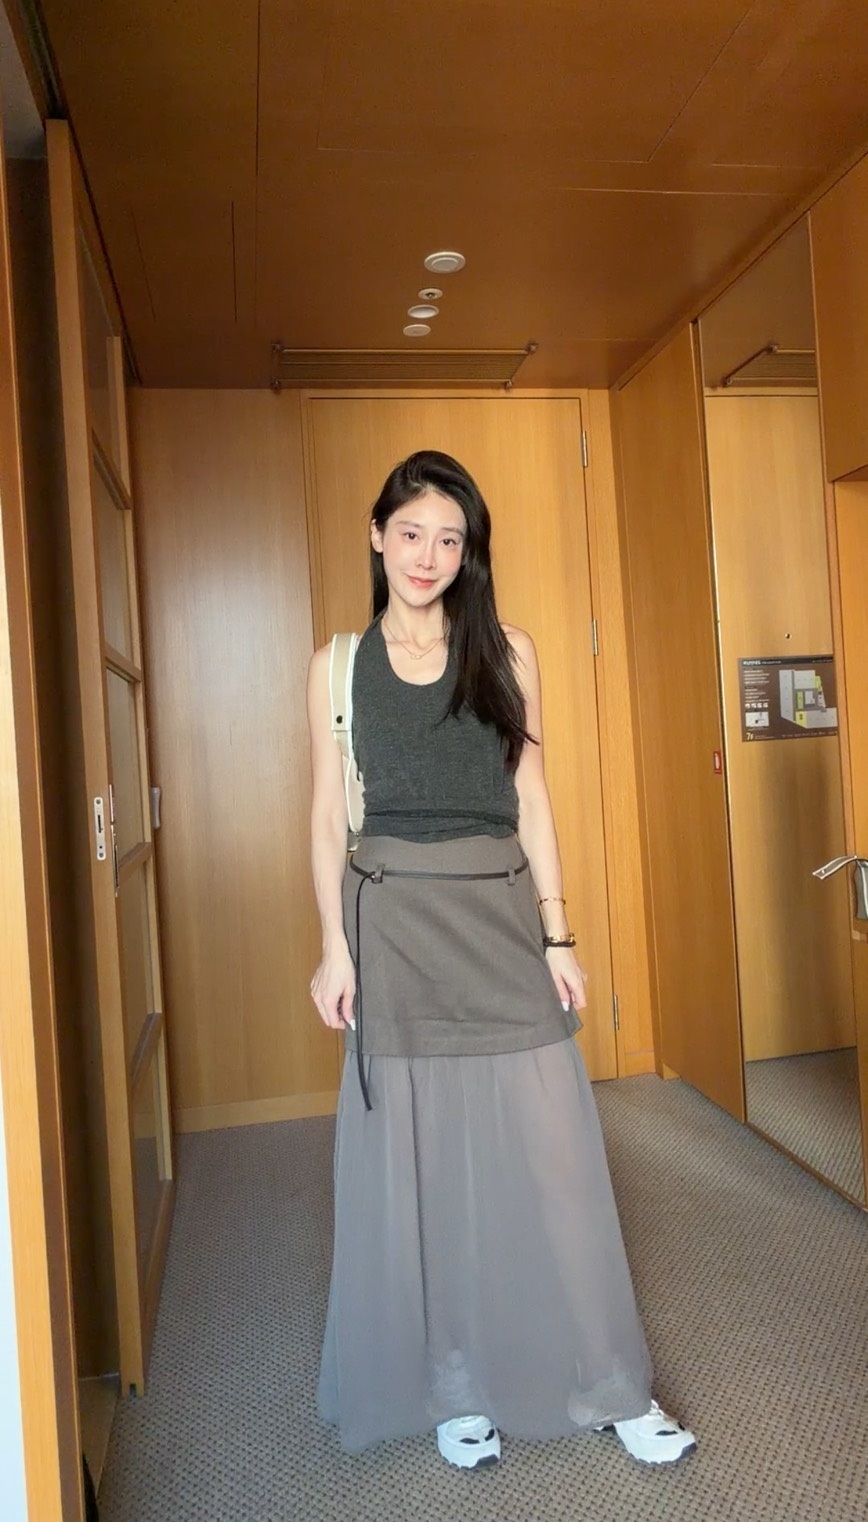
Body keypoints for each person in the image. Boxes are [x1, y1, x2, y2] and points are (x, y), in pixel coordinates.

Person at [306, 449, 696, 1469]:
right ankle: (455, 1384)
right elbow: (325, 813)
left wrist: (558, 933)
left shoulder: (508, 650)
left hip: (497, 917)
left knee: (553, 1155)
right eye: (411, 534)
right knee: (422, 1167)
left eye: (449, 539)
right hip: (391, 928)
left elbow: (531, 796)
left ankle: (611, 1382)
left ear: (468, 552)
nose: (427, 556)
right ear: (376, 536)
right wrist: (332, 948)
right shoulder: (338, 664)